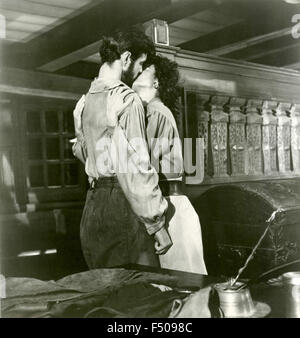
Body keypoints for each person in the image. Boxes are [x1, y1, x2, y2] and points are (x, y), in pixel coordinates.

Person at [72, 28, 172, 269]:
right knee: (141, 296)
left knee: (104, 295)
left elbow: (83, 153)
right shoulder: (127, 100)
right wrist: (157, 225)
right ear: (126, 58)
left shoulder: (83, 102)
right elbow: (134, 167)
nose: (139, 72)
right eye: (140, 64)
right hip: (122, 208)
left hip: (93, 208)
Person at [130, 55, 207, 274]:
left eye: (145, 69)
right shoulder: (154, 111)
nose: (138, 71)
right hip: (170, 204)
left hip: (169, 208)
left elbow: (139, 162)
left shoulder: (154, 112)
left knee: (180, 283)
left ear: (156, 83)